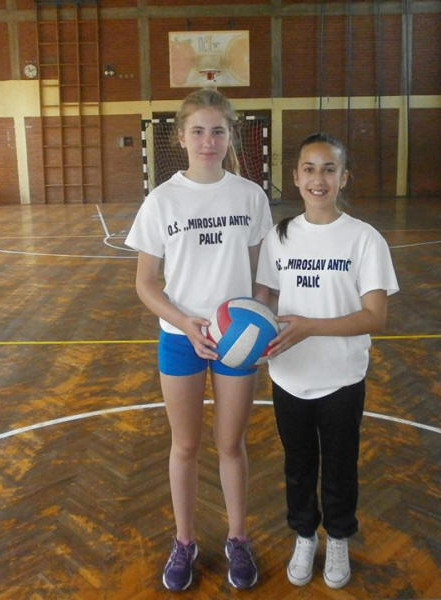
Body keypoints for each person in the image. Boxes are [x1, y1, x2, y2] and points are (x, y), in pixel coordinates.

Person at [125, 88, 273, 591]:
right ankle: (184, 541)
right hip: (180, 337)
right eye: (198, 131)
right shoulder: (161, 200)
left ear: (231, 136)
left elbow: (263, 276)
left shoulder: (250, 196)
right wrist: (185, 322)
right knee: (185, 445)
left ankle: (238, 538)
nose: (208, 141)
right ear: (180, 137)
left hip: (237, 342)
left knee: (231, 444)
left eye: (218, 131)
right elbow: (146, 284)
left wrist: (258, 323)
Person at [254, 132, 398, 589]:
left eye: (329, 169)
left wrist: (310, 327)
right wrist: (253, 336)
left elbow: (375, 315)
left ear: (344, 178)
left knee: (339, 465)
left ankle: (337, 536)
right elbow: (265, 296)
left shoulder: (364, 239)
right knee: (298, 465)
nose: (319, 179)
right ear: (296, 177)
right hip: (289, 375)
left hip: (342, 376)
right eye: (310, 169)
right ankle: (304, 535)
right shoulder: (279, 236)